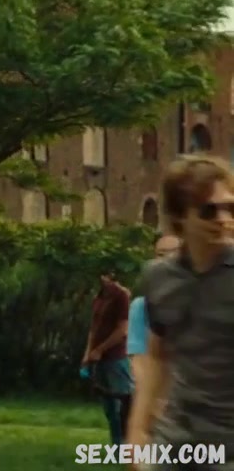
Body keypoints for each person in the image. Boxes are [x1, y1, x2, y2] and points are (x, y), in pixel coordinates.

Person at [128, 155, 234, 470]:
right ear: (179, 217)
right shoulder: (158, 277)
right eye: (208, 210)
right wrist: (137, 431)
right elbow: (157, 355)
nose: (223, 219)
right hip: (176, 438)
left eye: (230, 208)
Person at [126, 233, 180, 413]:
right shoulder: (141, 307)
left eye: (175, 252)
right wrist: (152, 400)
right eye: (161, 254)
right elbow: (139, 360)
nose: (168, 259)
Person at [83, 268, 134, 445]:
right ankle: (117, 447)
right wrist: (88, 353)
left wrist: (101, 349)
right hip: (99, 360)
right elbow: (94, 328)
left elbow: (122, 330)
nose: (104, 278)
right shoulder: (99, 297)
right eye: (102, 274)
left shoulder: (121, 296)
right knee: (110, 409)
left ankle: (130, 447)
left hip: (116, 359)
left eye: (107, 274)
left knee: (124, 407)